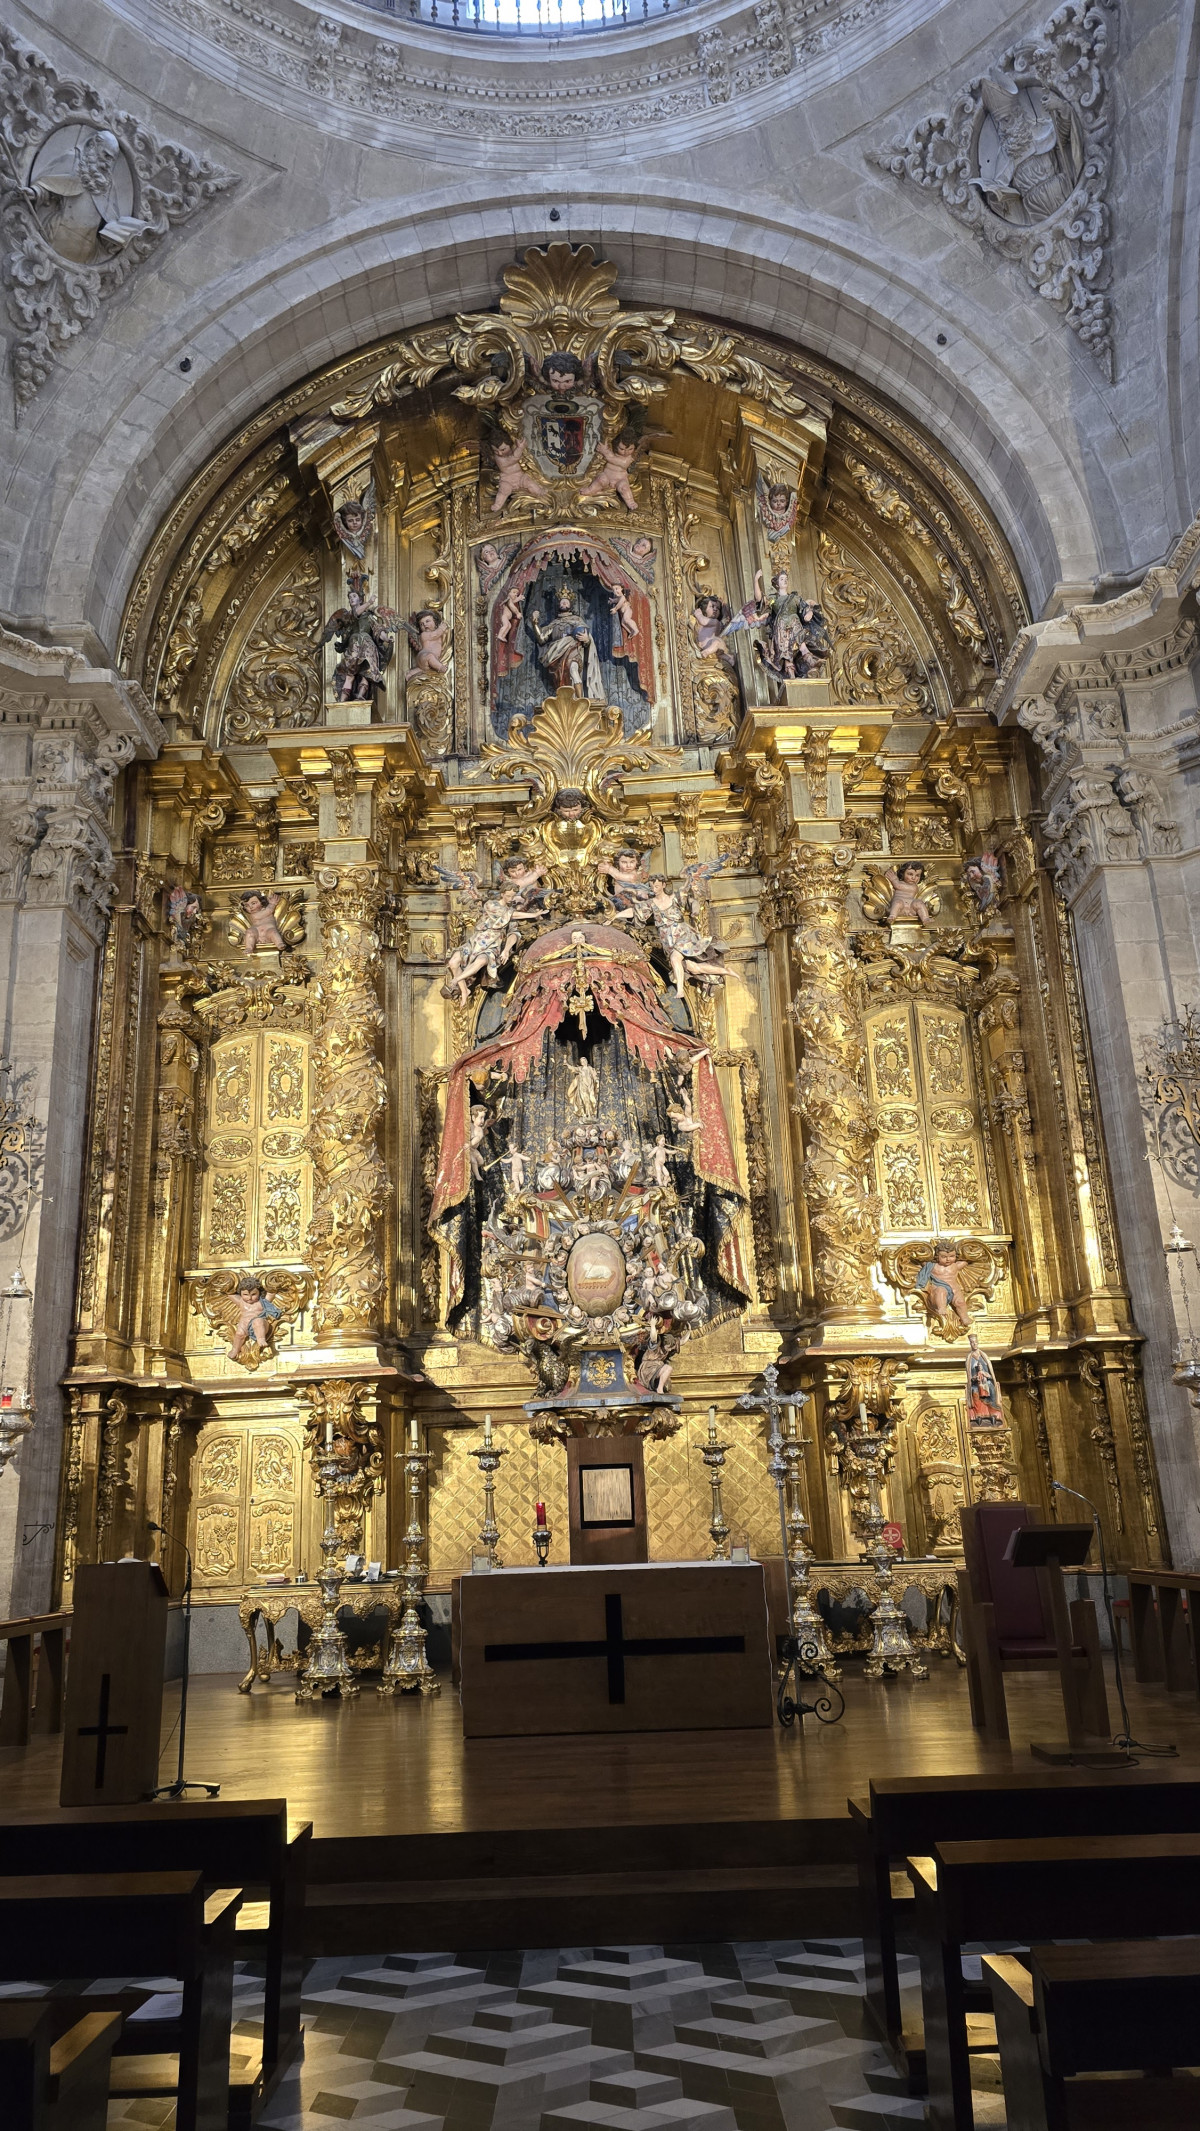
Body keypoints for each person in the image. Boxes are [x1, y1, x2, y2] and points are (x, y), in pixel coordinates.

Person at [528, 590, 603, 697]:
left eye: (566, 602)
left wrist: (586, 639)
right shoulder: (554, 623)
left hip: (572, 649)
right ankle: (564, 700)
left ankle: (581, 700)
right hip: (555, 654)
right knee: (560, 680)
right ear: (559, 605)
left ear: (570, 605)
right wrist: (535, 623)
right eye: (562, 601)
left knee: (573, 670)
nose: (564, 603)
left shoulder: (577, 620)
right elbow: (541, 639)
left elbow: (585, 640)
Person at [915, 1242, 972, 1332]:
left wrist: (969, 1253)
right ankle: (941, 1307)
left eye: (952, 1256)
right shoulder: (933, 1266)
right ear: (937, 1256)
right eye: (944, 1257)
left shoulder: (955, 1266)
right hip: (939, 1286)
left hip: (954, 1288)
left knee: (960, 1302)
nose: (948, 1259)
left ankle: (964, 1317)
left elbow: (968, 1259)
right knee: (941, 1292)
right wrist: (922, 1253)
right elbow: (920, 1258)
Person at [228, 1279, 279, 1362]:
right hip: (244, 1323)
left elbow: (271, 1293)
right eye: (245, 1294)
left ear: (259, 1292)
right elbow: (229, 1294)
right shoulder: (241, 1302)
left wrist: (271, 1284)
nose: (249, 1298)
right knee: (239, 1334)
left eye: (253, 1294)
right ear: (240, 1293)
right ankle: (235, 1349)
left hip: (260, 1323)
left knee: (257, 1322)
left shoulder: (262, 1302)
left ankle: (261, 1338)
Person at [965, 1333, 1005, 1423]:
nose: (974, 1344)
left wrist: (986, 1375)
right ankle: (979, 1414)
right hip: (975, 1383)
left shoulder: (984, 1356)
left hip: (987, 1381)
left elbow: (991, 1373)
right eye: (972, 1342)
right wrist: (974, 1378)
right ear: (970, 1344)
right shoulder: (969, 1358)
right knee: (975, 1391)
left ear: (978, 1342)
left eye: (975, 1342)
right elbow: (969, 1375)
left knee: (991, 1387)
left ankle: (993, 1413)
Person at [884, 861, 935, 926]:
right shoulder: (901, 883)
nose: (913, 878)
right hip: (900, 909)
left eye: (917, 875)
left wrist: (894, 879)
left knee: (919, 903)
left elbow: (898, 886)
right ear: (903, 874)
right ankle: (892, 916)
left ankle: (925, 918)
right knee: (898, 902)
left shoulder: (914, 887)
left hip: (911, 909)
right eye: (910, 874)